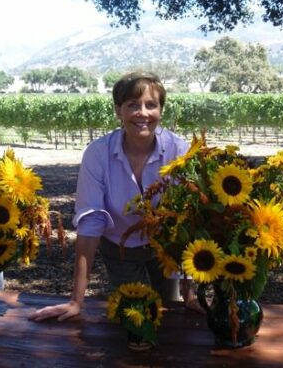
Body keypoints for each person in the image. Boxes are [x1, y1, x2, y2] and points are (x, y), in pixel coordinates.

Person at [29, 71, 198, 322]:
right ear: (118, 111)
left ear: (161, 110)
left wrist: (191, 294)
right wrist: (76, 301)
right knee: (135, 316)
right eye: (133, 105)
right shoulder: (98, 154)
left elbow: (188, 219)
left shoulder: (178, 150)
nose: (143, 113)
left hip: (167, 247)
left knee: (168, 313)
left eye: (151, 105)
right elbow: (91, 223)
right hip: (120, 248)